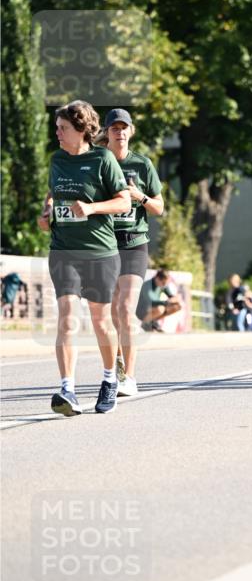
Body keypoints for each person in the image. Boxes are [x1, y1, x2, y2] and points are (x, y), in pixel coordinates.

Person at [37, 100, 130, 415]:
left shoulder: (102, 159)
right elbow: (53, 194)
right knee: (66, 319)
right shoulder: (57, 160)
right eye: (57, 128)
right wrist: (46, 211)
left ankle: (109, 380)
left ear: (81, 130)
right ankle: (67, 390)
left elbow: (123, 203)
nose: (58, 133)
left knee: (101, 321)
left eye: (63, 128)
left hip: (99, 252)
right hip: (63, 249)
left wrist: (91, 208)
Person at [98, 109, 164, 396]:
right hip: (105, 243)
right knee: (113, 311)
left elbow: (159, 208)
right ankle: (119, 361)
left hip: (135, 243)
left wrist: (141, 197)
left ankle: (130, 378)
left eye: (124, 128)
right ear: (107, 132)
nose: (119, 132)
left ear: (131, 132)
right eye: (114, 128)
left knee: (125, 309)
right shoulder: (98, 162)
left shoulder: (142, 164)